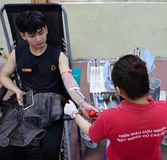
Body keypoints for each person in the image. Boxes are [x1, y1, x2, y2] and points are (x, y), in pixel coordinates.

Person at [0, 10, 96, 160]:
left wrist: (81, 103)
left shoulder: (58, 55)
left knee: (49, 151)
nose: (38, 38)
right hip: (26, 103)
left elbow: (68, 79)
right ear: (23, 36)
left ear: (46, 29)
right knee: (6, 148)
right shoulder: (17, 54)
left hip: (53, 106)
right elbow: (4, 76)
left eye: (41, 32)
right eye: (32, 35)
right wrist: (16, 90)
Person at [64, 54, 167, 160]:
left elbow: (92, 134)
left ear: (118, 90)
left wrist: (74, 113)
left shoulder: (109, 118)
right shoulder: (165, 109)